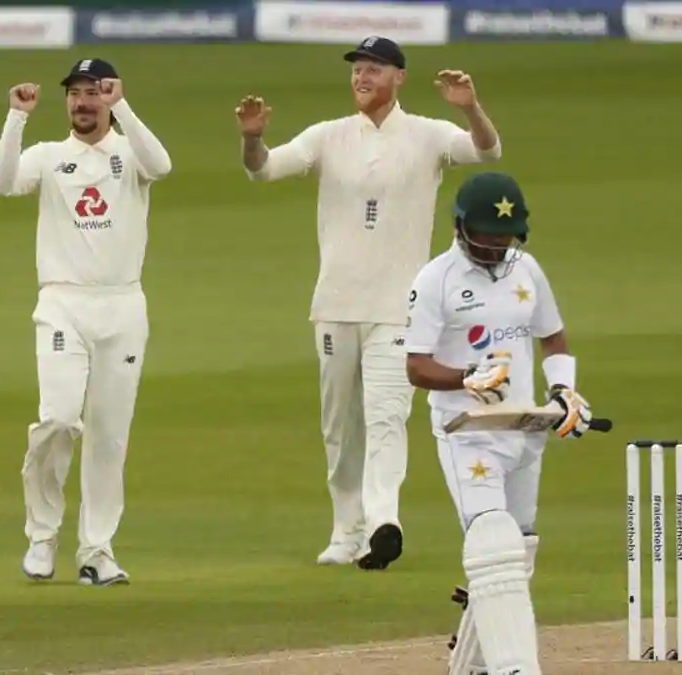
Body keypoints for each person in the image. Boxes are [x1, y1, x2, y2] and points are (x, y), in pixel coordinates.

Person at [234, 35, 503, 570]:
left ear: (398, 77)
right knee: (340, 425)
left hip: (399, 308)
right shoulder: (329, 136)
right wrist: (252, 139)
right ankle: (345, 528)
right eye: (358, 69)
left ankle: (383, 524)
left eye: (374, 69)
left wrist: (470, 107)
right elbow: (263, 169)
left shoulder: (427, 135)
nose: (362, 77)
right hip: (335, 302)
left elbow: (487, 151)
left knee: (386, 418)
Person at [402, 171, 596, 675]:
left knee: (518, 549)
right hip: (467, 432)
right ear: (460, 227)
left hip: (524, 427)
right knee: (494, 540)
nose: (496, 248)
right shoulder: (435, 280)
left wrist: (564, 392)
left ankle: (469, 667)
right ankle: (515, 668)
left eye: (505, 239)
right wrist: (468, 376)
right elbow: (416, 365)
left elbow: (553, 339)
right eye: (487, 238)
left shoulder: (526, 270)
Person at [0, 57, 171, 586]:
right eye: (75, 93)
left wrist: (125, 108)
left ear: (109, 98)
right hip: (63, 303)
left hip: (123, 306)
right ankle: (42, 536)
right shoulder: (49, 157)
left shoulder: (129, 154)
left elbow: (160, 166)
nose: (82, 102)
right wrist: (16, 118)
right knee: (60, 418)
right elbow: (2, 184)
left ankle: (96, 551)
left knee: (110, 436)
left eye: (93, 93)